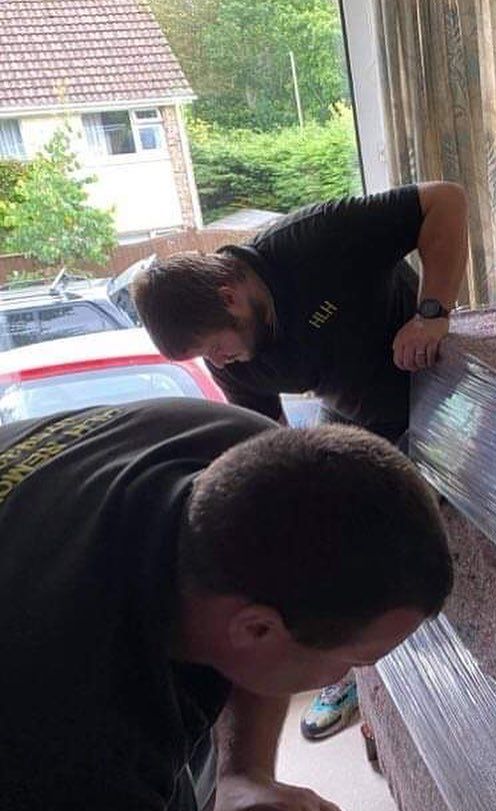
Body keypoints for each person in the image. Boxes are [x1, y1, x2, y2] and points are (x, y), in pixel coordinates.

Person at [0, 398, 453, 811]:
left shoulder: (253, 464)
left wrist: (247, 771)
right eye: (357, 659)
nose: (355, 674)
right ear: (256, 629)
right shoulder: (76, 763)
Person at [131, 181, 468, 741]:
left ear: (229, 295)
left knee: (412, 541)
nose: (218, 363)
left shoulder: (315, 243)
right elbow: (271, 447)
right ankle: (357, 673)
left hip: (432, 386)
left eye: (214, 346)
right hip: (353, 413)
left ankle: (430, 666)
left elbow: (446, 200)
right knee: (334, 540)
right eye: (205, 357)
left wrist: (432, 314)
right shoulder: (234, 363)